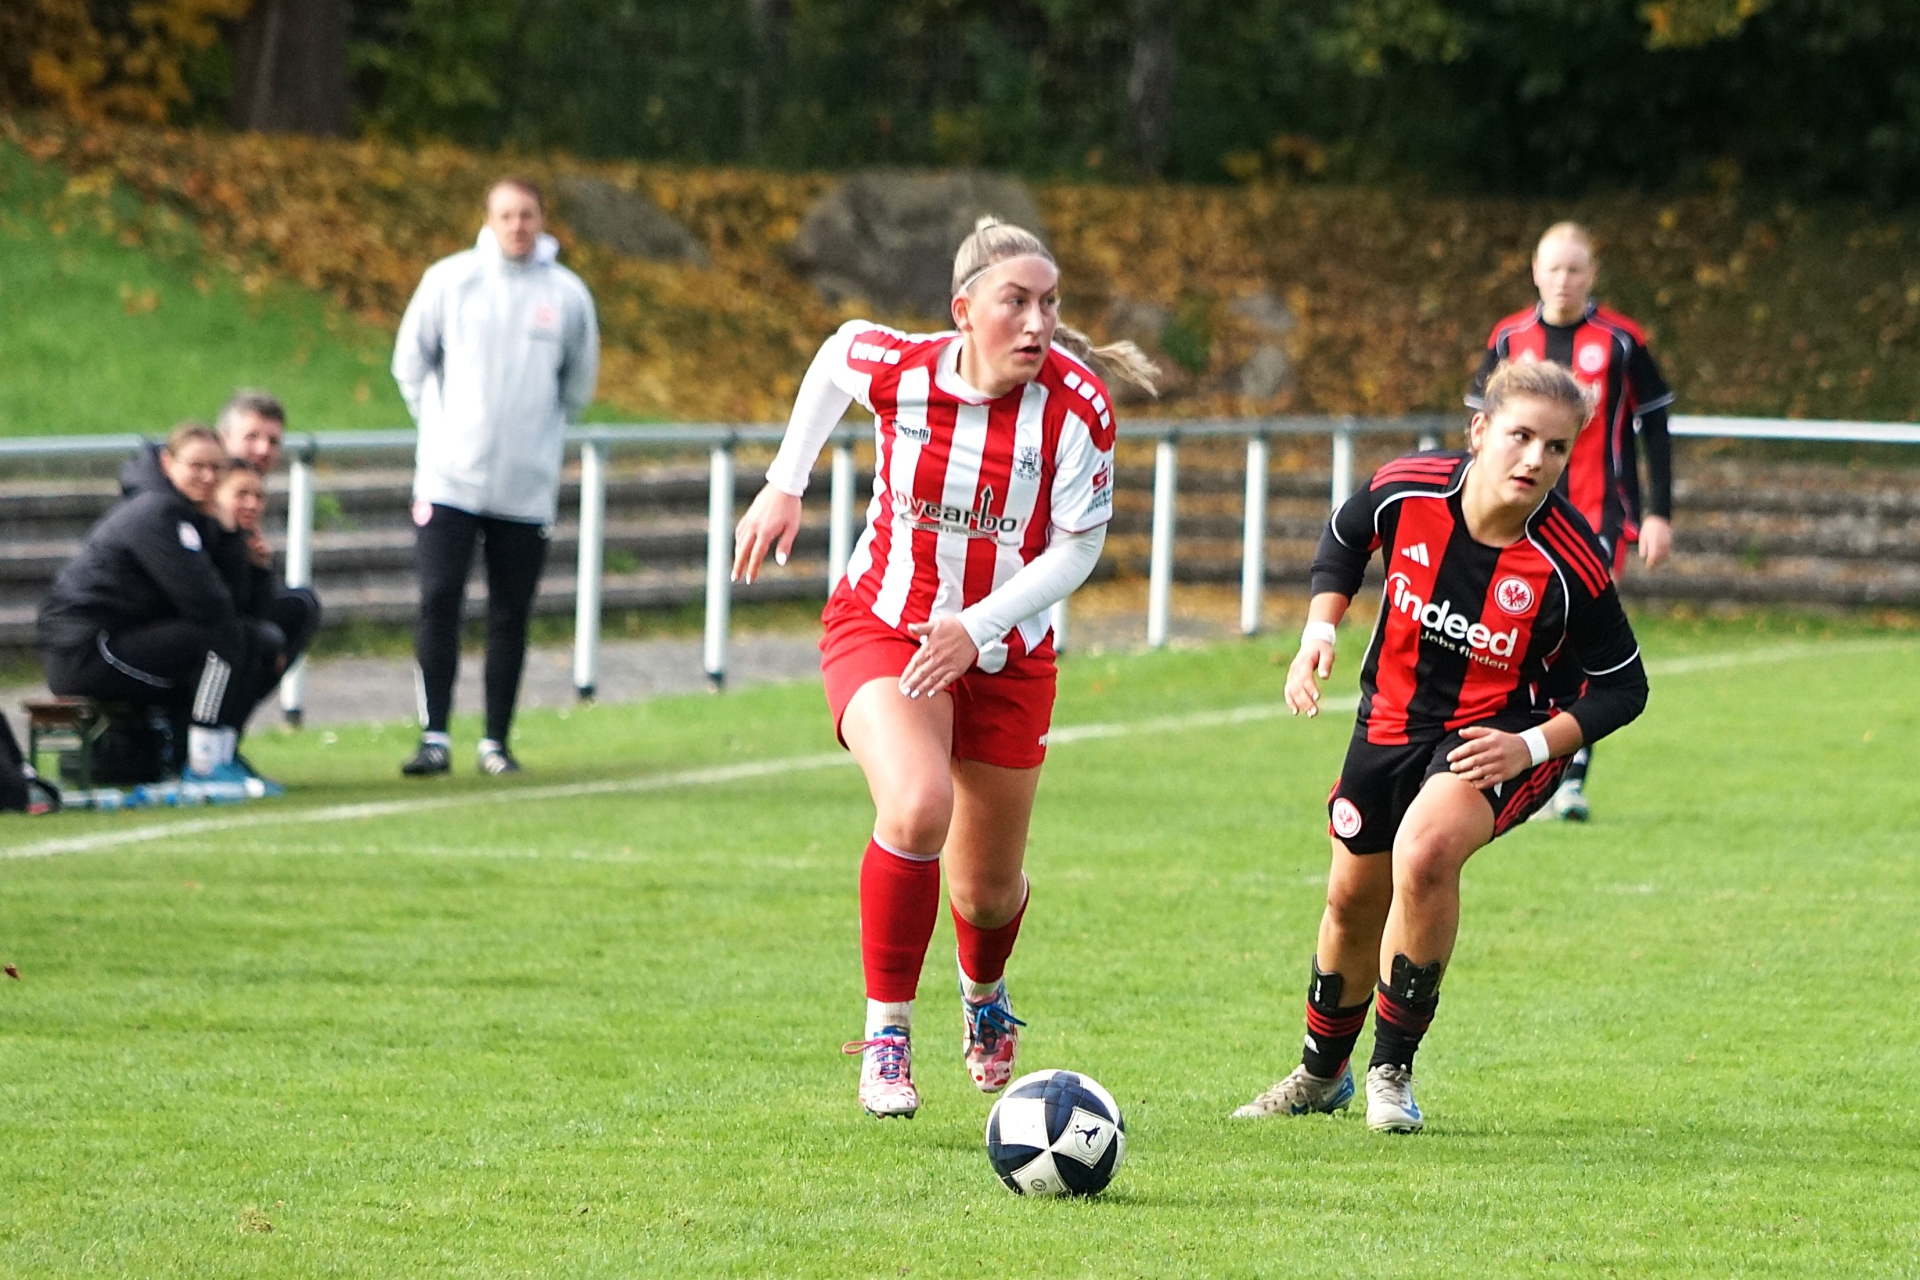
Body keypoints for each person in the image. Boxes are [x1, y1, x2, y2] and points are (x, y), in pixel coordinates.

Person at [732, 216, 1157, 1119]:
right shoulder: (903, 369)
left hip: (1006, 653)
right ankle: (886, 1036)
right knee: (918, 804)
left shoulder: (1078, 407)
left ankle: (983, 994)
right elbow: (836, 353)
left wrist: (978, 624)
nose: (1038, 322)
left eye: (1050, 304)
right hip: (884, 623)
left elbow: (1079, 548)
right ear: (964, 311)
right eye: (1016, 302)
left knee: (987, 893)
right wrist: (785, 482)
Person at [1233, 360, 1648, 1133]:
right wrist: (1319, 630)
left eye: (1556, 447)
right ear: (1480, 430)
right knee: (1352, 901)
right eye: (1520, 436)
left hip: (1499, 733)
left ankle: (1391, 1072)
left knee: (1424, 853)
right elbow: (1346, 534)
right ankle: (1321, 1076)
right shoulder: (1409, 489)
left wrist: (1530, 747)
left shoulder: (1570, 558)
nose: (1535, 459)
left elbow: (1624, 686)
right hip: (1388, 721)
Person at [391, 177, 600, 778]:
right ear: (488, 219)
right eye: (506, 215)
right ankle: (434, 735)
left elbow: (578, 382)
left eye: (527, 214)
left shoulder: (566, 295)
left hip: (525, 488)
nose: (517, 225)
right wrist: (442, 429)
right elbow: (410, 362)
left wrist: (539, 437)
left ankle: (496, 741)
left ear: (542, 219)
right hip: (449, 481)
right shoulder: (450, 280)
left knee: (510, 613)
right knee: (439, 599)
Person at [1467, 222, 1673, 821]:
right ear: (1535, 271)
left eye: (1574, 269)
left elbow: (1656, 426)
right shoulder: (1510, 338)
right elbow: (1479, 424)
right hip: (1516, 511)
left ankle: (1569, 778)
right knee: (1515, 631)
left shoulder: (1621, 341)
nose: (1563, 280)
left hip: (1596, 514)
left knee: (1580, 641)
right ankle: (1516, 756)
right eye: (1553, 268)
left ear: (1591, 275)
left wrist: (1658, 513)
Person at [38, 423, 280, 791]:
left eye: (215, 468)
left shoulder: (188, 513)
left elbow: (229, 602)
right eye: (196, 466)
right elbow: (208, 604)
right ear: (168, 463)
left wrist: (236, 542)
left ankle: (218, 756)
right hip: (87, 652)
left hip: (120, 640)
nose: (207, 476)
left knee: (252, 636)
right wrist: (229, 536)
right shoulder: (156, 511)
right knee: (221, 636)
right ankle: (204, 763)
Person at [118, 389, 322, 726]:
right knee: (239, 634)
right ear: (223, 438)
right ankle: (202, 738)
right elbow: (199, 593)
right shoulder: (171, 500)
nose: (263, 450)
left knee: (296, 609)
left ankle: (223, 735)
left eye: (273, 441)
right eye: (252, 437)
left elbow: (239, 596)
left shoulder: (230, 501)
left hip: (201, 614)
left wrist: (257, 566)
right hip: (146, 624)